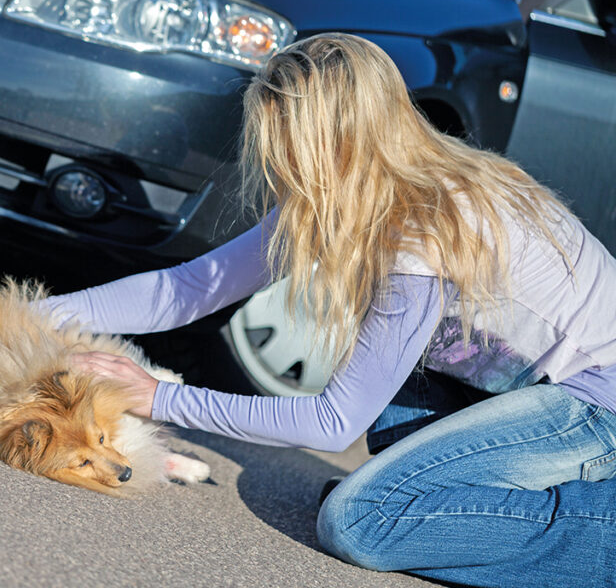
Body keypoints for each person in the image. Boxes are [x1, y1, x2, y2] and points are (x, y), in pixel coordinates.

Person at [42, 33, 616, 587]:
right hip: (528, 386)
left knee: (361, 522)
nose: (273, 162)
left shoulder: (424, 230)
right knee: (399, 491)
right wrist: (36, 315)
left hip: (598, 402)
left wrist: (158, 396)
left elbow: (331, 422)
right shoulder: (357, 194)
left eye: (282, 142)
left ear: (331, 141)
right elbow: (192, 287)